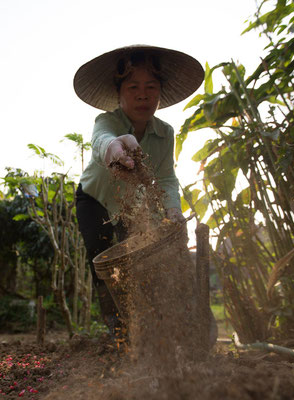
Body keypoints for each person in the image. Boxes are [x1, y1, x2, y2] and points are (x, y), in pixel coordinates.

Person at [72, 45, 204, 337]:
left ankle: (147, 330)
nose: (142, 95)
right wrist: (112, 148)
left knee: (140, 264)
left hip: (131, 208)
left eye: (150, 87)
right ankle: (117, 331)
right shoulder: (106, 122)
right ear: (119, 94)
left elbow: (167, 178)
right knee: (105, 263)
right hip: (94, 201)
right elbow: (101, 141)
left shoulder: (165, 132)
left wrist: (173, 210)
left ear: (159, 93)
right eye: (133, 87)